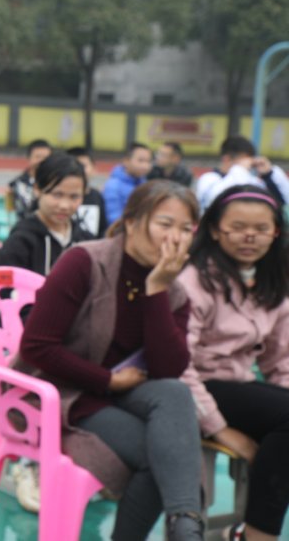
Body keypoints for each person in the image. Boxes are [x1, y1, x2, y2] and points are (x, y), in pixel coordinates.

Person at [18, 180, 205, 541]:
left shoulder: (174, 290)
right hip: (68, 391)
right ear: (132, 222)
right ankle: (187, 528)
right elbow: (37, 347)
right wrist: (106, 380)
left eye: (186, 229)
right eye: (165, 225)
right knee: (159, 459)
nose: (176, 239)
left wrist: (156, 290)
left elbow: (168, 369)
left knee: (174, 393)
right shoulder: (85, 262)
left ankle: (185, 523)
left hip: (126, 394)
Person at [178, 185, 289, 541]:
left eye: (260, 230)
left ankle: (247, 532)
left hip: (238, 386)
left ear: (276, 232)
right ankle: (257, 535)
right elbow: (177, 365)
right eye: (238, 227)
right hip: (192, 386)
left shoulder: (274, 283)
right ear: (214, 230)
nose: (249, 238)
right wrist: (217, 427)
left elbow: (280, 359)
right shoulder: (194, 280)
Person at [0, 153, 94, 513]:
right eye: (57, 195)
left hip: (72, 341)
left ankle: (83, 457)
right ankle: (27, 462)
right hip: (28, 343)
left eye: (75, 196)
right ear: (36, 190)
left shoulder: (83, 238)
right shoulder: (24, 237)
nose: (65, 205)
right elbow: (4, 294)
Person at [196, 136, 289, 212]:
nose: (248, 165)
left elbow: (279, 205)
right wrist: (239, 169)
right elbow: (214, 201)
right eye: (244, 159)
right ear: (227, 159)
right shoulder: (209, 178)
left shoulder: (251, 179)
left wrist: (268, 175)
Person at [103, 141, 153, 225]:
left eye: (148, 161)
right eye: (141, 160)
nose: (145, 166)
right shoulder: (113, 186)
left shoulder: (145, 184)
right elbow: (114, 220)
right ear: (126, 161)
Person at [67, 146, 107, 238]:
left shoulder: (96, 196)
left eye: (84, 166)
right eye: (75, 165)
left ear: (93, 168)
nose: (80, 170)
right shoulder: (61, 198)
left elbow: (102, 228)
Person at [9, 139, 53, 219]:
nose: (42, 161)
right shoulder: (19, 184)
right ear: (29, 159)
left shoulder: (55, 181)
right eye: (38, 157)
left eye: (46, 157)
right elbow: (26, 210)